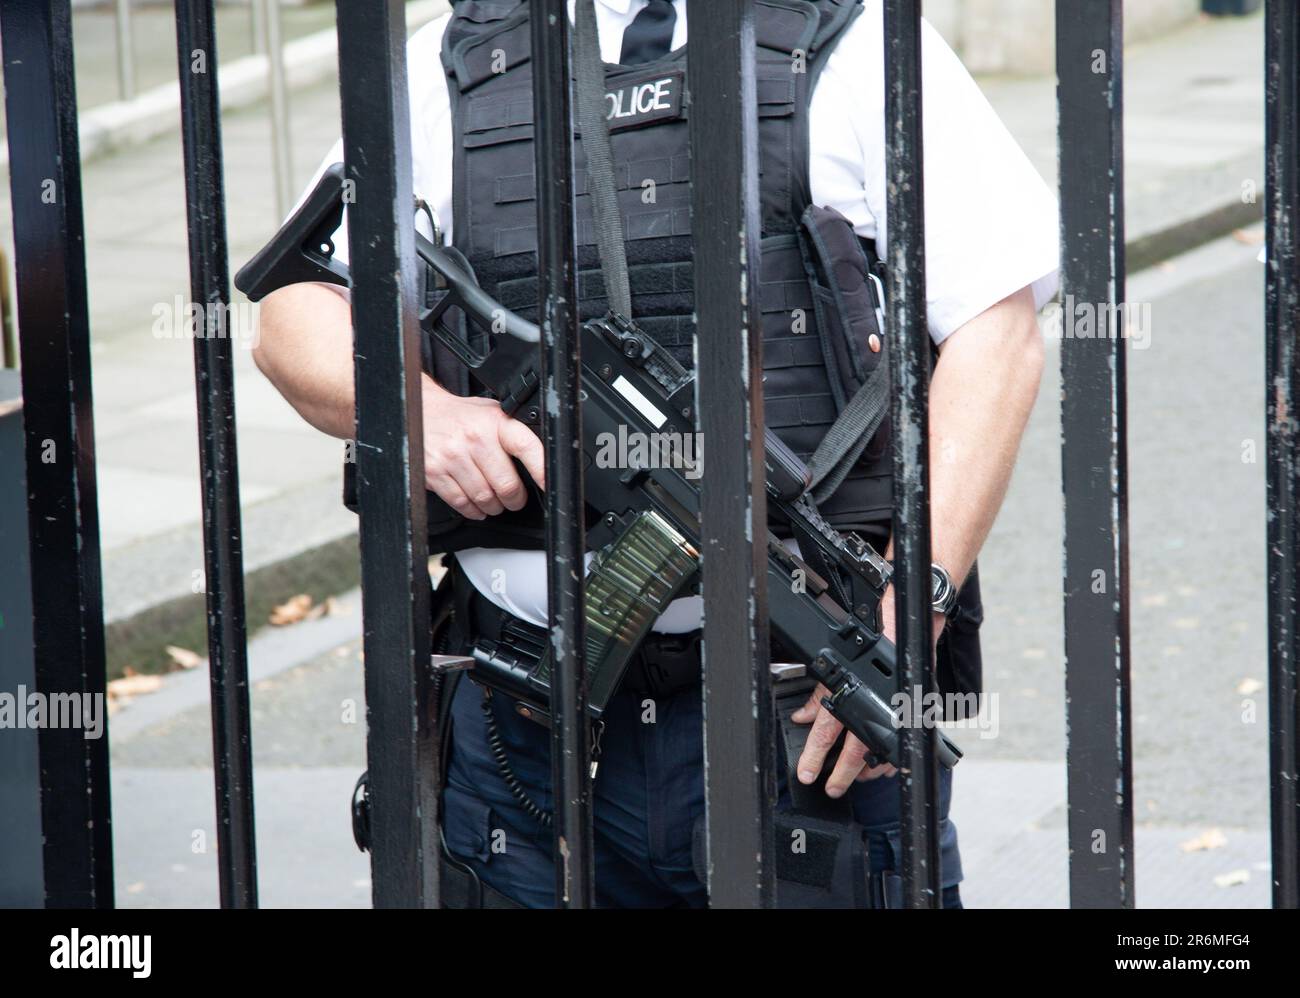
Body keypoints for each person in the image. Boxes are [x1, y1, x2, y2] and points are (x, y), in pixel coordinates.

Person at [253, 0, 1057, 908]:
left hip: (801, 722)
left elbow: (998, 326)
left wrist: (919, 606)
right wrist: (421, 414)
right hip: (518, 727)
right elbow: (292, 315)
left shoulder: (850, 40)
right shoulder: (455, 61)